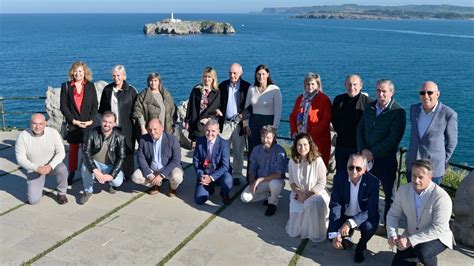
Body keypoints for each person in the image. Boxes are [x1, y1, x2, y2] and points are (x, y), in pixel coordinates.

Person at [357, 79, 406, 227]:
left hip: (386, 160)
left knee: (389, 195)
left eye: (384, 91)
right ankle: (366, 219)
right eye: (378, 90)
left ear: (391, 92)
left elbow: (393, 139)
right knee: (366, 190)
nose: (380, 93)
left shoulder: (398, 111)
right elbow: (360, 129)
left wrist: (372, 152)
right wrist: (362, 150)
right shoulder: (370, 107)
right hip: (367, 159)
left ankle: (387, 226)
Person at [387, 160, 453, 266]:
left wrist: (410, 241)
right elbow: (393, 215)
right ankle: (417, 260)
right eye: (413, 175)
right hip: (412, 232)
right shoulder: (403, 190)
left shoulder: (441, 197)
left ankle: (427, 261)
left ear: (430, 178)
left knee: (423, 252)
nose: (416, 180)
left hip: (437, 236)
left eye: (420, 177)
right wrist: (392, 234)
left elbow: (438, 228)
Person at [328, 154, 380, 264]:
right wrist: (334, 234)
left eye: (358, 168)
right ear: (346, 166)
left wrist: (349, 223)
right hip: (345, 213)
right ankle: (345, 235)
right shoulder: (339, 178)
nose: (354, 171)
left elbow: (370, 210)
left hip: (363, 216)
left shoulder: (373, 182)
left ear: (365, 169)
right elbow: (335, 205)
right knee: (331, 237)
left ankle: (361, 246)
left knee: (369, 227)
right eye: (350, 167)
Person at [405, 81, 458, 185]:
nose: (426, 96)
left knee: (429, 200)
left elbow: (452, 142)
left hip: (432, 169)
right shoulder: (414, 109)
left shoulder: (448, 114)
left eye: (430, 93)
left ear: (437, 94)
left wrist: (441, 160)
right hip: (413, 165)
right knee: (411, 199)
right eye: (422, 93)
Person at [15, 113, 68, 205]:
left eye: (40, 124)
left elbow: (61, 152)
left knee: (62, 168)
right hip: (35, 168)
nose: (38, 127)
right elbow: (20, 159)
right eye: (35, 123)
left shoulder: (53, 133)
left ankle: (61, 193)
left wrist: (50, 166)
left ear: (45, 123)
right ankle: (39, 183)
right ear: (30, 123)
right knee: (33, 201)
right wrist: (37, 168)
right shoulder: (23, 136)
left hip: (51, 165)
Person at [286, 133, 330, 242]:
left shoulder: (318, 160)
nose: (302, 148)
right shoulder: (292, 161)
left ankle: (314, 231)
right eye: (299, 145)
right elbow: (291, 181)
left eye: (305, 144)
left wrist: (307, 195)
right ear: (295, 146)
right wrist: (299, 193)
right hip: (299, 193)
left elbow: (322, 182)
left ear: (310, 145)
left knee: (311, 204)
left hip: (316, 193)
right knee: (293, 232)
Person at [60, 61, 98, 185]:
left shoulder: (90, 86)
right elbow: (63, 107)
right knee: (73, 149)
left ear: (85, 72)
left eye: (80, 71)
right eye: (75, 71)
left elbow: (94, 105)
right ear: (72, 72)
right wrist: (74, 121)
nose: (78, 73)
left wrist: (91, 120)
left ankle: (90, 170)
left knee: (89, 149)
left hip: (88, 123)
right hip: (73, 123)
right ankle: (72, 172)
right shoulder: (66, 86)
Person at [98, 65, 138, 180]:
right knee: (114, 151)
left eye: (118, 75)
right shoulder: (107, 89)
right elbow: (103, 109)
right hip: (112, 127)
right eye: (114, 76)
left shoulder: (131, 90)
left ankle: (128, 174)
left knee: (128, 150)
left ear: (124, 76)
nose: (116, 78)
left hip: (128, 126)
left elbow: (136, 109)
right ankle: (115, 175)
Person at [80, 111, 126, 204]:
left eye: (110, 122)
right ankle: (88, 191)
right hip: (95, 163)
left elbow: (121, 158)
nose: (106, 124)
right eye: (104, 121)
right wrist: (95, 170)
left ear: (114, 124)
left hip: (109, 166)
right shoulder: (91, 133)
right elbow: (86, 152)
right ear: (101, 121)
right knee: (85, 166)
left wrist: (111, 175)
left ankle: (110, 184)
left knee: (118, 182)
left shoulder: (120, 137)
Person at [241, 125, 287, 216]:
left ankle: (272, 203)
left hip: (275, 180)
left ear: (274, 138)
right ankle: (267, 195)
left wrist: (259, 180)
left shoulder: (280, 151)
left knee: (274, 184)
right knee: (244, 198)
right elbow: (252, 170)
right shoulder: (256, 149)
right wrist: (252, 183)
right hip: (262, 183)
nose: (265, 140)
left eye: (268, 137)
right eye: (263, 137)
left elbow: (280, 174)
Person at [217, 63, 251, 185]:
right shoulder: (223, 85)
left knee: (238, 151)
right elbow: (218, 102)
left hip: (239, 124)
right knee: (222, 150)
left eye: (235, 73)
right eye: (230, 73)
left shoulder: (247, 87)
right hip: (225, 123)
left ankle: (236, 175)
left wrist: (243, 116)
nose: (232, 75)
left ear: (241, 73)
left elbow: (251, 106)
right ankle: (221, 172)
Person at [132, 118, 183, 197]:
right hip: (152, 169)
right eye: (150, 129)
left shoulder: (172, 139)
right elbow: (140, 157)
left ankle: (172, 188)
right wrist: (149, 174)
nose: (152, 132)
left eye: (155, 129)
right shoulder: (143, 139)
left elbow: (176, 160)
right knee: (135, 177)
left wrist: (162, 175)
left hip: (167, 168)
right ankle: (155, 185)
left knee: (177, 177)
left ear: (162, 128)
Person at [290, 72, 332, 167]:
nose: (310, 86)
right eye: (308, 84)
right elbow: (293, 116)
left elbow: (325, 121)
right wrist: (294, 132)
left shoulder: (324, 99)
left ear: (318, 85)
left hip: (318, 141)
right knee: (302, 167)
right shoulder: (300, 98)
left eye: (313, 84)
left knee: (317, 167)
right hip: (301, 141)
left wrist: (309, 137)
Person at [332, 74, 372, 174]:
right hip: (342, 145)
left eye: (355, 84)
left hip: (359, 148)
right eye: (349, 84)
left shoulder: (368, 103)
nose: (352, 87)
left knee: (358, 175)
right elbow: (334, 120)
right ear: (345, 85)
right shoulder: (338, 100)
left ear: (361, 86)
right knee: (341, 173)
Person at [244, 64, 282, 155]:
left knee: (267, 151)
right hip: (253, 123)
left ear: (268, 74)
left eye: (263, 74)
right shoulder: (252, 88)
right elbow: (246, 108)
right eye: (258, 74)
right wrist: (246, 124)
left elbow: (278, 111)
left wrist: (274, 128)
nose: (261, 76)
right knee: (253, 151)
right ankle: (252, 169)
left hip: (268, 123)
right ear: (256, 75)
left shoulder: (275, 89)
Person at [193, 119, 233, 205]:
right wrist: (200, 174)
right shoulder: (200, 141)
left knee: (228, 180)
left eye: (213, 131)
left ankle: (224, 193)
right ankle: (210, 187)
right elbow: (196, 161)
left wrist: (211, 178)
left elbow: (225, 166)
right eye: (207, 130)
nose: (210, 133)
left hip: (219, 173)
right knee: (200, 200)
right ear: (204, 130)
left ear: (218, 131)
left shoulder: (224, 144)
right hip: (205, 171)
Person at [184, 66, 221, 144]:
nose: (206, 79)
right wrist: (187, 120)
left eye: (209, 77)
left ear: (213, 78)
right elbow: (190, 105)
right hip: (195, 123)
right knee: (196, 151)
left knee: (208, 150)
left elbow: (217, 108)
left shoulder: (217, 92)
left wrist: (209, 119)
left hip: (208, 125)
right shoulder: (196, 89)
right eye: (205, 76)